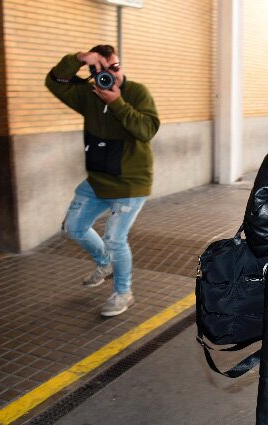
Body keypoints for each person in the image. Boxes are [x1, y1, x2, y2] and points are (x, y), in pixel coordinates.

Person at [45, 45, 160, 317]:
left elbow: (146, 130)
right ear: (92, 71)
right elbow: (54, 82)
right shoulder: (88, 94)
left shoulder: (137, 92)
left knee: (115, 239)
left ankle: (123, 293)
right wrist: (77, 59)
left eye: (115, 68)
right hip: (97, 180)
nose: (111, 75)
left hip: (130, 182)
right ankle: (104, 263)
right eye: (101, 70)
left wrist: (116, 102)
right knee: (74, 227)